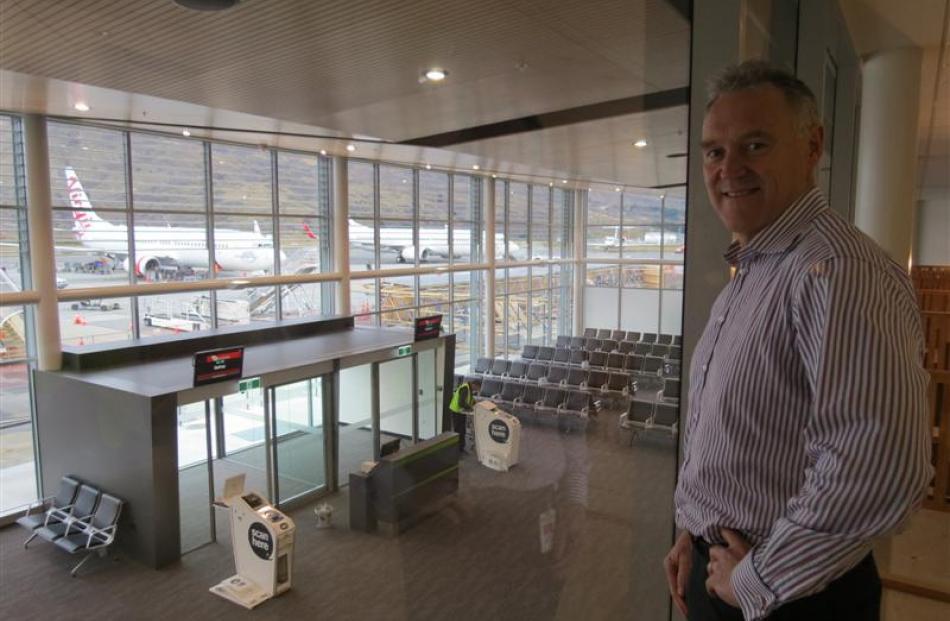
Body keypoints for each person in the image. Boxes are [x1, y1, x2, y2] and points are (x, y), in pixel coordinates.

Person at [664, 61, 932, 620]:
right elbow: (741, 437)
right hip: (727, 568)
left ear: (813, 147)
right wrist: (694, 534)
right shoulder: (759, 268)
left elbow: (878, 467)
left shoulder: (837, 269)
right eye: (714, 152)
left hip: (792, 596)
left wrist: (760, 577)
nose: (728, 168)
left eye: (754, 145)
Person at [449, 378, 478, 451]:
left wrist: (477, 404)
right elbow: (461, 402)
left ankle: (461, 447)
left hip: (462, 411)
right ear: (474, 385)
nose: (476, 390)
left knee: (462, 430)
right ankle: (457, 448)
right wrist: (470, 407)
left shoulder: (469, 388)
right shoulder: (465, 388)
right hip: (457, 411)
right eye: (477, 388)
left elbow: (470, 399)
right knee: (458, 430)